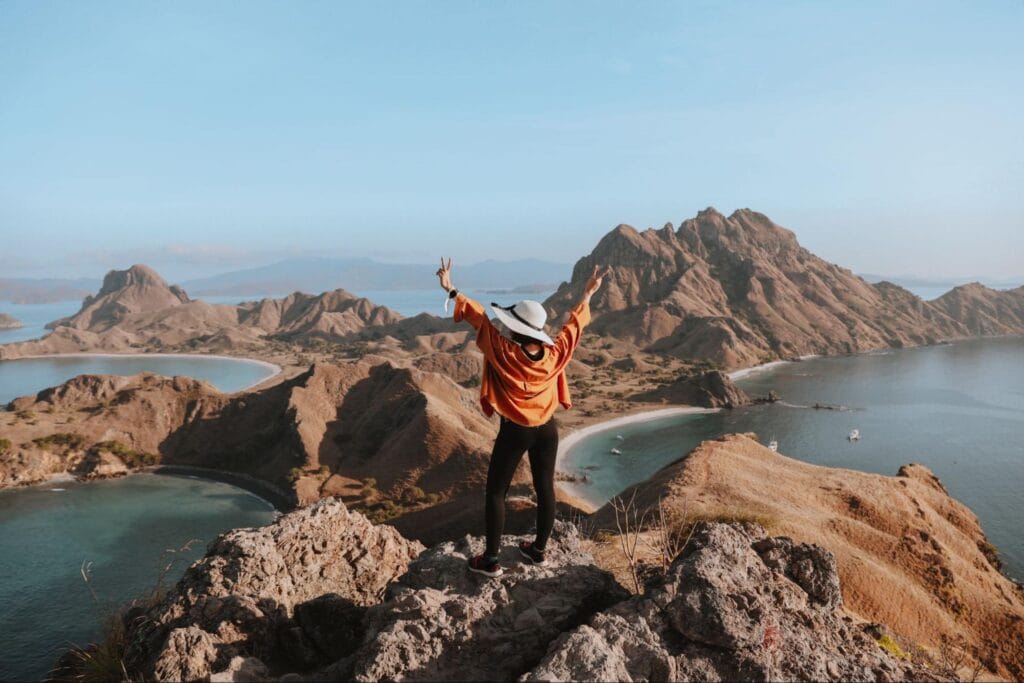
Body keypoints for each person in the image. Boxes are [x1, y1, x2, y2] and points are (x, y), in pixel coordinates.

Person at [435, 257, 608, 577]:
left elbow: (480, 320)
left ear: (516, 328)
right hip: (547, 429)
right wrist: (588, 294)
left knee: (496, 492)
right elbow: (574, 326)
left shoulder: (504, 351)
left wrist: (451, 289)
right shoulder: (554, 354)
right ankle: (538, 552)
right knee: (545, 488)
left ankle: (489, 561)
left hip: (516, 431)